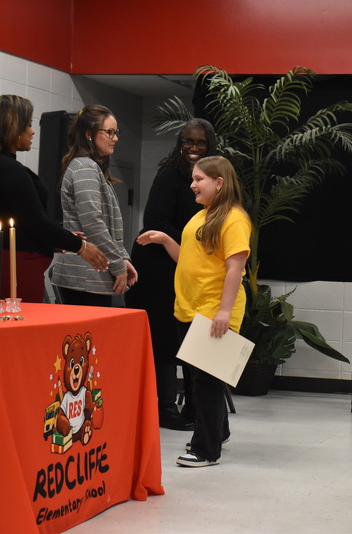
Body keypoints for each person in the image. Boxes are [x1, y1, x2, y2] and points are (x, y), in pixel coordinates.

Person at [136, 155, 251, 468]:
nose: (192, 184)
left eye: (199, 179)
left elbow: (234, 267)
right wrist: (163, 239)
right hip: (189, 309)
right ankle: (218, 431)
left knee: (206, 384)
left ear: (219, 182)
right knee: (201, 379)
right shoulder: (203, 216)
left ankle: (205, 449)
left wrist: (224, 312)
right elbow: (186, 258)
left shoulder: (234, 219)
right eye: (193, 178)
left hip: (215, 311)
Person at [0, 95, 108, 303]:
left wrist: (56, 239)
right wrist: (80, 246)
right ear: (12, 127)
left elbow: (19, 218)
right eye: (28, 125)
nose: (33, 131)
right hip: (11, 261)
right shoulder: (5, 168)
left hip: (8, 256)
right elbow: (35, 220)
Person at [125, 118, 217, 431]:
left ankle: (195, 408)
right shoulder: (170, 176)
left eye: (200, 143)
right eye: (187, 142)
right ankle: (164, 408)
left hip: (187, 267)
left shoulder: (209, 180)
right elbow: (155, 222)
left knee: (191, 337)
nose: (193, 148)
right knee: (165, 340)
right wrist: (190, 246)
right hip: (158, 269)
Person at [50, 105, 137, 306]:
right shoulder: (85, 167)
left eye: (116, 132)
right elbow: (93, 224)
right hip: (83, 278)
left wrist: (122, 257)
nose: (115, 138)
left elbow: (106, 225)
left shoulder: (90, 166)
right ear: (89, 134)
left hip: (91, 276)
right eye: (109, 132)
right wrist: (118, 266)